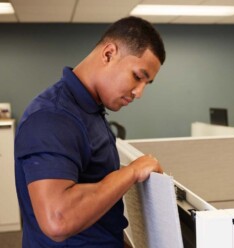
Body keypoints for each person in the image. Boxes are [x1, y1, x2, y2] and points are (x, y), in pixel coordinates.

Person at [14, 16, 165, 247]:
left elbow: (96, 199)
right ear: (108, 54)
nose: (139, 92)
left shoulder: (91, 111)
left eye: (146, 84)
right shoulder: (52, 117)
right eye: (137, 77)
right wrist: (132, 172)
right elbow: (58, 219)